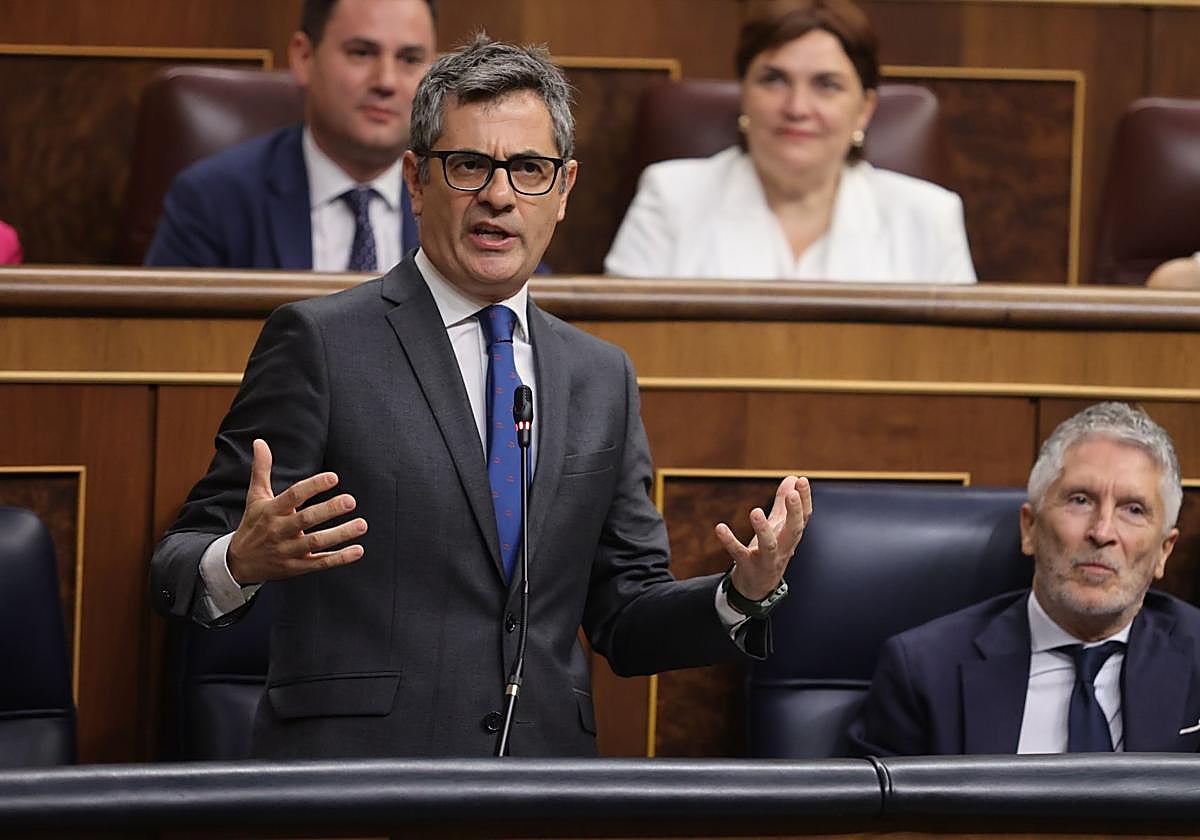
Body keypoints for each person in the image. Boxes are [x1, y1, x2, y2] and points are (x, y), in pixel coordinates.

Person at [151, 34, 812, 759]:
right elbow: (179, 559)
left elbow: (625, 618)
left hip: (538, 789)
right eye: (469, 165)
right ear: (416, 179)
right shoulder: (321, 342)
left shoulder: (601, 377)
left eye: (529, 168)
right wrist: (239, 560)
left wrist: (739, 594)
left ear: (563, 191)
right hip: (359, 784)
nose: (499, 195)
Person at [848, 401, 1200, 755]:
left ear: (1164, 552)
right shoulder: (923, 672)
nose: (1102, 531)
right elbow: (870, 810)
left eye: (1133, 509)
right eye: (1080, 500)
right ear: (1029, 528)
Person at [604, 0, 976, 283]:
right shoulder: (671, 198)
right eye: (774, 80)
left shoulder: (929, 218)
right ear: (744, 94)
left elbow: (959, 367)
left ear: (864, 109)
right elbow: (629, 354)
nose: (797, 107)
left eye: (826, 85)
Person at [144, 0, 436, 271]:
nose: (386, 81)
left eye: (409, 59)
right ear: (304, 57)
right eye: (361, 53)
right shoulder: (212, 200)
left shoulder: (457, 200)